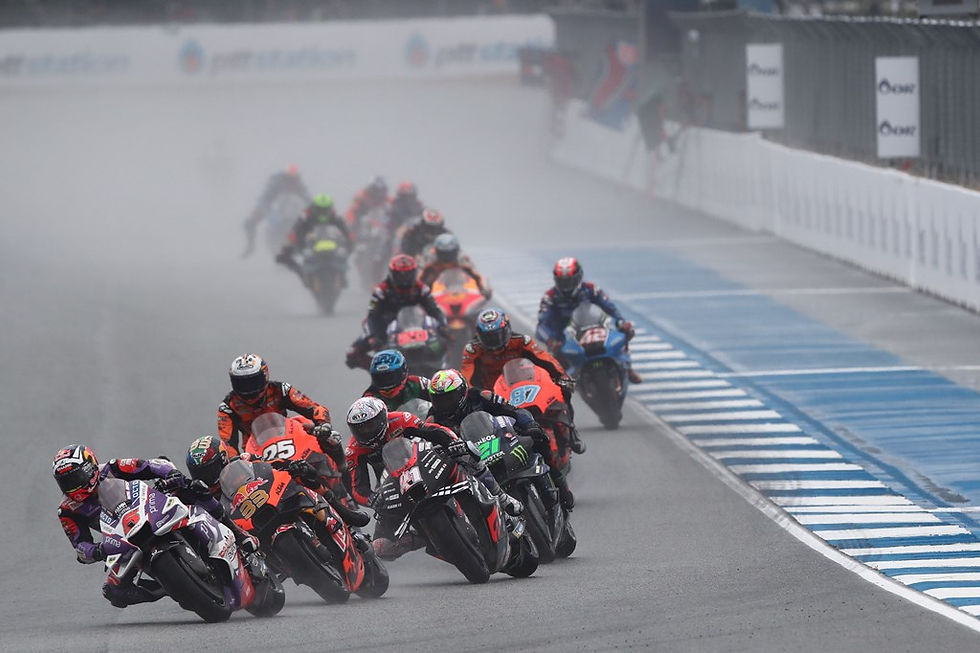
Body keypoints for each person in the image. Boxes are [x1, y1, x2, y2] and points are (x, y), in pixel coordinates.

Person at [53, 444, 258, 609]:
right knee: (114, 592)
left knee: (193, 489)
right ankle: (167, 587)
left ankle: (238, 533)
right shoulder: (67, 510)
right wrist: (96, 551)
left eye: (75, 478)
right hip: (123, 540)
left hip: (149, 509)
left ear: (90, 468)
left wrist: (171, 474)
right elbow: (80, 545)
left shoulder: (111, 468)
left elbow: (150, 465)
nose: (72, 486)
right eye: (65, 482)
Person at [344, 397, 523, 559]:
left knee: (467, 456)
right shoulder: (354, 450)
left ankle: (502, 497)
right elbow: (357, 488)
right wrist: (372, 499)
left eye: (370, 425)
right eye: (360, 428)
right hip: (394, 483)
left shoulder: (400, 419)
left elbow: (433, 431)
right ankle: (424, 538)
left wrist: (453, 443)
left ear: (383, 418)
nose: (366, 431)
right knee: (381, 548)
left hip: (426, 461)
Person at [427, 369, 574, 510]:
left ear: (462, 392)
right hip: (471, 461)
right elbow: (428, 446)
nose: (444, 405)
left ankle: (560, 484)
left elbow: (513, 410)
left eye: (448, 398)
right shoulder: (433, 419)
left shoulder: (480, 396)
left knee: (540, 440)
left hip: (500, 441)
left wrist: (530, 424)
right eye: (439, 400)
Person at [461, 308, 585, 455]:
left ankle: (571, 430)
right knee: (477, 416)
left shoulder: (521, 341)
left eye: (497, 335)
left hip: (524, 384)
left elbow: (545, 359)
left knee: (563, 388)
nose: (494, 341)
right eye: (488, 337)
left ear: (507, 329)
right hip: (493, 394)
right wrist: (472, 393)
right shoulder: (473, 350)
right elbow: (467, 375)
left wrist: (562, 375)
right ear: (479, 335)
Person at [181, 435, 369, 530]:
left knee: (303, 475)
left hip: (269, 499)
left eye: (210, 469)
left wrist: (292, 465)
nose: (207, 476)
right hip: (246, 526)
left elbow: (267, 463)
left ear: (223, 459)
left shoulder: (242, 461)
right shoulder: (201, 493)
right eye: (200, 473)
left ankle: (343, 512)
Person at [536, 256, 643, 385]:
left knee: (625, 331)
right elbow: (541, 325)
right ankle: (566, 383)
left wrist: (621, 322)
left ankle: (627, 367)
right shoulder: (549, 297)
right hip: (564, 336)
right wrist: (550, 339)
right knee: (556, 364)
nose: (566, 286)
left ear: (579, 277)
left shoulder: (591, 289)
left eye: (569, 281)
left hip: (592, 326)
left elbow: (610, 307)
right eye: (562, 281)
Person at [217, 353, 338, 458]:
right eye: (242, 384)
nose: (248, 389)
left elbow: (314, 408)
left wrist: (323, 424)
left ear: (264, 376)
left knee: (331, 439)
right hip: (255, 452)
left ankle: (342, 469)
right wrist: (235, 461)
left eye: (253, 382)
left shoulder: (281, 390)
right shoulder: (228, 407)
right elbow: (228, 443)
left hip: (289, 437)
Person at [345, 255, 449, 369]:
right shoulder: (381, 290)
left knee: (444, 340)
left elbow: (435, 310)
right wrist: (374, 336)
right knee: (353, 352)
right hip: (387, 327)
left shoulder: (421, 288)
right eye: (400, 275)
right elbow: (372, 316)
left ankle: (440, 367)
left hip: (416, 326)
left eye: (408, 274)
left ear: (414, 273)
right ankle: (379, 371)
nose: (404, 279)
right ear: (392, 274)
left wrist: (443, 326)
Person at [275, 193, 354, 282]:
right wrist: (292, 242)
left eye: (326, 210)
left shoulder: (334, 215)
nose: (323, 212)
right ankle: (303, 274)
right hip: (308, 242)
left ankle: (342, 275)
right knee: (285, 255)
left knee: (345, 250)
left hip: (331, 243)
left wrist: (350, 241)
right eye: (320, 209)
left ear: (330, 208)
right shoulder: (305, 215)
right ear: (314, 208)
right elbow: (295, 229)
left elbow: (346, 229)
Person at [243, 165, 310, 256]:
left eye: (295, 179)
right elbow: (265, 199)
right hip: (272, 208)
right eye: (291, 179)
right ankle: (250, 245)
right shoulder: (276, 183)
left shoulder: (299, 185)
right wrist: (266, 210)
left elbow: (307, 198)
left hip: (291, 212)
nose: (292, 182)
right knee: (249, 222)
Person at [419, 233, 491, 297]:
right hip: (437, 293)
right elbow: (420, 278)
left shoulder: (462, 259)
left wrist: (483, 289)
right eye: (444, 253)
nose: (447, 257)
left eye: (449, 253)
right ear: (438, 251)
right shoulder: (431, 262)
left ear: (455, 251)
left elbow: (476, 275)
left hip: (462, 291)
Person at [362, 349, 431, 411]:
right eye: (380, 378)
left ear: (403, 371)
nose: (386, 382)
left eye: (390, 377)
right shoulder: (369, 398)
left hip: (425, 419)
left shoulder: (417, 382)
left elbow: (436, 393)